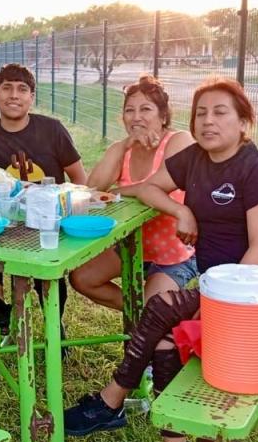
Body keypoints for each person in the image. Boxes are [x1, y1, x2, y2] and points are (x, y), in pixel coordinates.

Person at [63, 77, 258, 442]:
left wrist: (220, 312)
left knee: (160, 309)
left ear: (244, 123)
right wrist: (183, 212)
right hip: (217, 288)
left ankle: (111, 400)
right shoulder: (195, 159)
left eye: (220, 112)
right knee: (163, 333)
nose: (208, 121)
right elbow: (146, 189)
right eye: (201, 113)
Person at [0, 63, 87, 331]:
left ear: (31, 97)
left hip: (48, 220)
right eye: (7, 88)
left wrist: (69, 210)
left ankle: (54, 324)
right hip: (4, 221)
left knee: (47, 268)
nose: (14, 95)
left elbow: (79, 178)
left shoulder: (52, 129)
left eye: (22, 89)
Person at [69, 75, 197, 311]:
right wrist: (123, 145)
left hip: (174, 254)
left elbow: (154, 188)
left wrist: (118, 191)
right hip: (130, 248)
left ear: (163, 116)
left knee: (153, 309)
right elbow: (92, 189)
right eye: (130, 110)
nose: (136, 117)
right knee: (81, 278)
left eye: (145, 109)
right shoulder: (122, 149)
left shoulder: (179, 141)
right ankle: (142, 312)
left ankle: (152, 313)